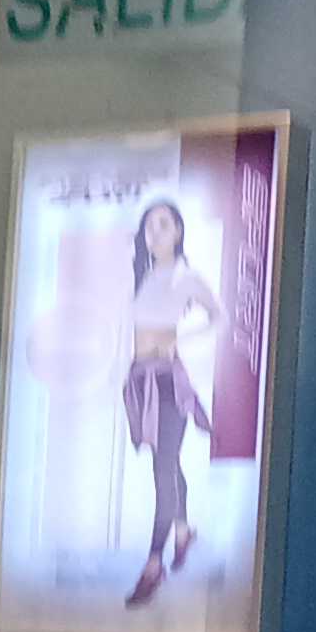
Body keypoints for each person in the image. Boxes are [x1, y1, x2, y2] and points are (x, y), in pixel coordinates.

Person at [118, 194, 220, 608]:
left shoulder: (185, 277)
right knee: (168, 462)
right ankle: (182, 531)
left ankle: (153, 564)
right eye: (149, 226)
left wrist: (181, 341)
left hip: (166, 383)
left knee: (163, 469)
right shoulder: (144, 275)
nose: (154, 232)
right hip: (140, 379)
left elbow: (218, 318)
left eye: (163, 224)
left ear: (178, 231)